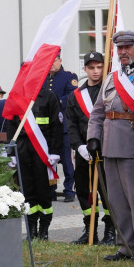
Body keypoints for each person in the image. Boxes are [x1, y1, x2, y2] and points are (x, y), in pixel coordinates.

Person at [86, 30, 134, 262]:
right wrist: (93, 138)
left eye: (127, 47)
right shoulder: (111, 78)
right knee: (116, 200)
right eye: (120, 48)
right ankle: (125, 245)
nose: (123, 52)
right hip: (110, 146)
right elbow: (98, 112)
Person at [66, 51, 116, 245]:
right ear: (85, 69)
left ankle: (110, 231)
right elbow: (70, 124)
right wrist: (78, 146)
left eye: (99, 67)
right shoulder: (75, 96)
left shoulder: (109, 90)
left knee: (107, 192)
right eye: (91, 68)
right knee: (84, 192)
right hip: (83, 153)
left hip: (105, 150)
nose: (96, 71)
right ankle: (90, 231)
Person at [5, 88, 63, 239]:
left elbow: (57, 125)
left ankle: (44, 228)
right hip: (23, 147)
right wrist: (11, 153)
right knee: (27, 191)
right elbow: (11, 125)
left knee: (43, 191)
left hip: (42, 150)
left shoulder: (49, 96)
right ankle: (31, 227)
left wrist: (55, 151)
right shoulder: (18, 96)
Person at [44, 54, 79, 201]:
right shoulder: (44, 78)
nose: (52, 64)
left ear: (60, 61)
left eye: (55, 60)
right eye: (49, 61)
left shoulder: (68, 76)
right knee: (50, 161)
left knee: (66, 161)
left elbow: (72, 95)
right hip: (48, 127)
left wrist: (53, 101)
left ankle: (69, 191)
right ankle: (51, 189)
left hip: (63, 125)